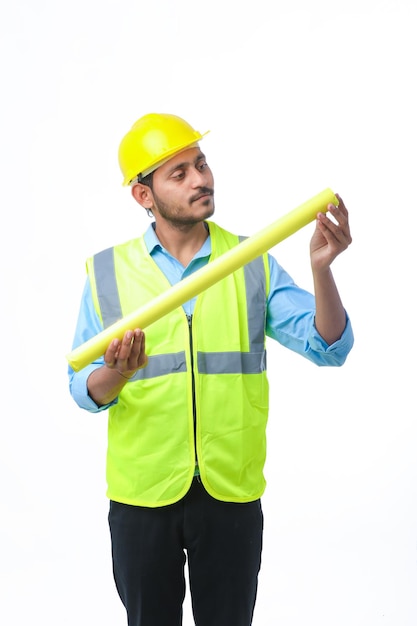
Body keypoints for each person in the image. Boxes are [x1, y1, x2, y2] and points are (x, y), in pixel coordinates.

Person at [68, 112, 354, 626]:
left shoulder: (251, 260)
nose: (200, 179)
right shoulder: (107, 270)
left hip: (229, 491)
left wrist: (321, 270)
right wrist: (117, 373)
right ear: (143, 195)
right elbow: (82, 387)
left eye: (200, 164)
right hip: (143, 493)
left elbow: (328, 345)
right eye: (178, 173)